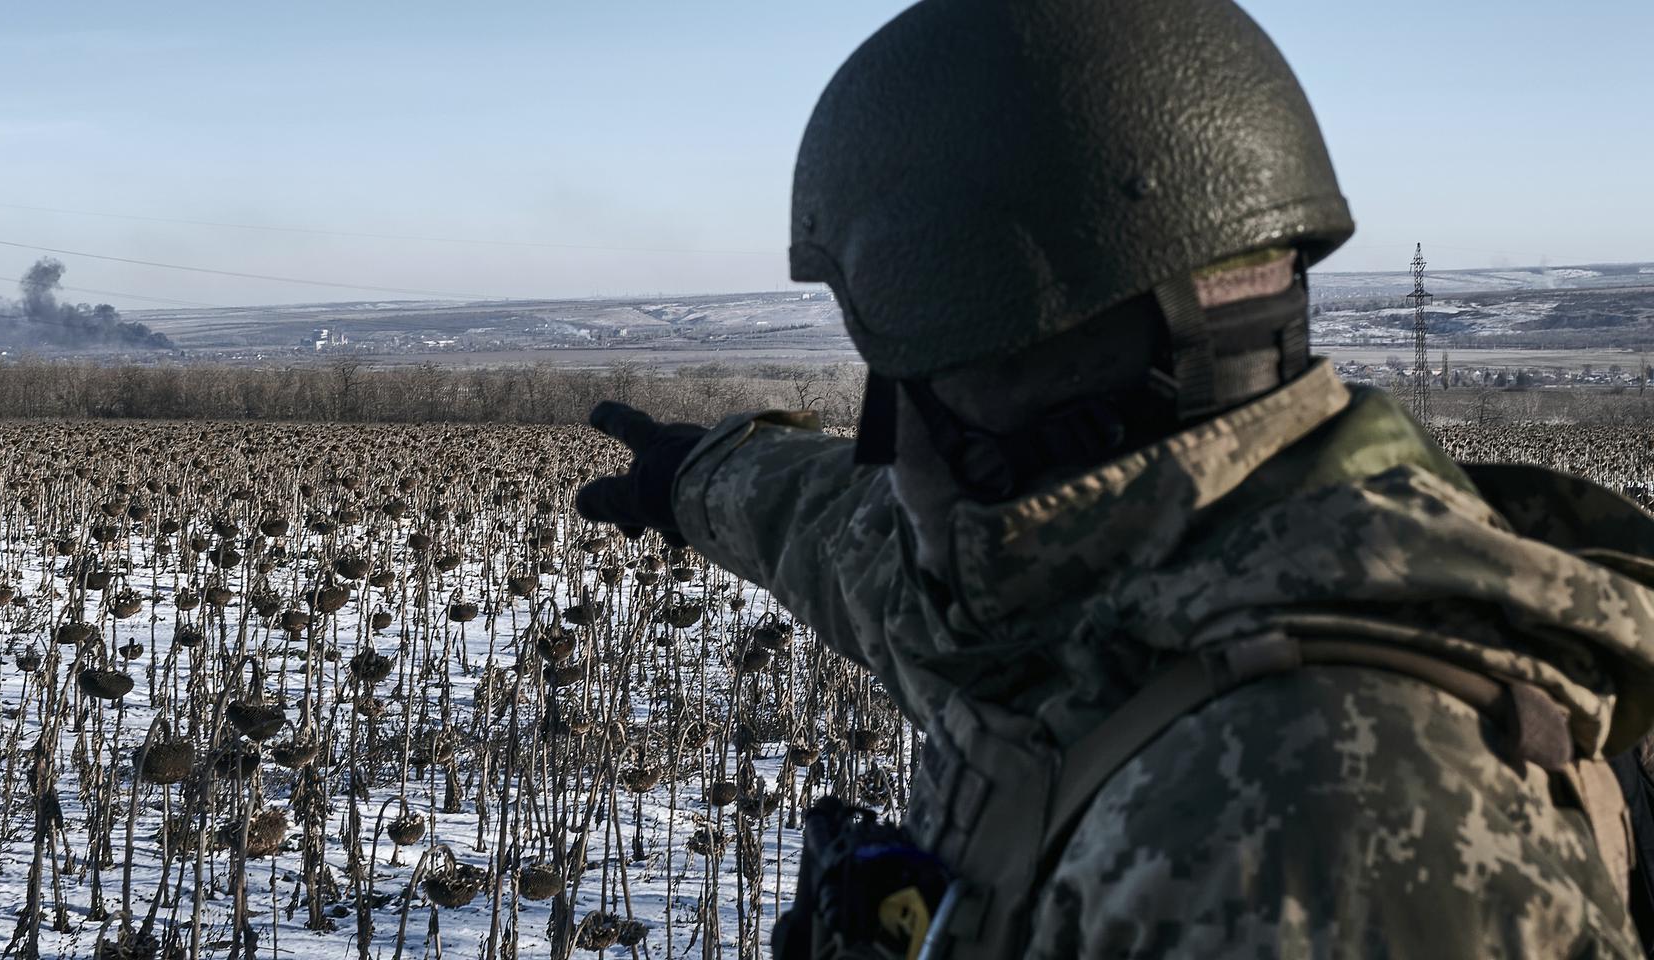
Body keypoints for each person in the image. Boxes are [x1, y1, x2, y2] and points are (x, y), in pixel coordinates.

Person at [576, 0, 1654, 956]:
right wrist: (699, 478)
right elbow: (857, 550)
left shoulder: (1316, 829)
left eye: (903, 375)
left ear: (1007, 369)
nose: (887, 441)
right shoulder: (1130, 591)